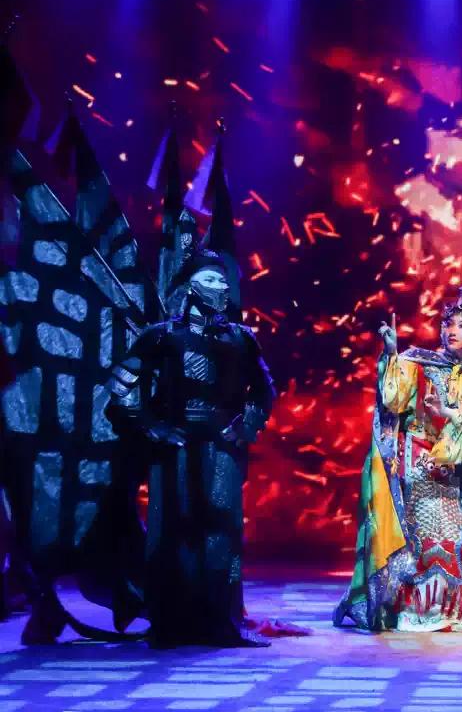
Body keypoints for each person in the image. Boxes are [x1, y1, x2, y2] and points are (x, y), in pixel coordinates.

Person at [105, 249, 275, 647]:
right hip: (175, 450)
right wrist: (153, 428)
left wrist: (246, 426)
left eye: (223, 281)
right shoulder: (162, 336)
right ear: (192, 286)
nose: (220, 287)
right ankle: (169, 624)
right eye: (211, 279)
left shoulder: (241, 338)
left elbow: (264, 389)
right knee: (171, 531)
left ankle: (221, 623)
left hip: (222, 447)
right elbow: (120, 387)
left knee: (222, 534)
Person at [334, 286, 462, 632]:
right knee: (416, 536)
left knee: (452, 536)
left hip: (446, 470)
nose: (453, 331)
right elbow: (393, 400)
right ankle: (407, 612)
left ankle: (443, 612)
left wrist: (448, 415)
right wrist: (391, 354)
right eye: (449, 324)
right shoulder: (418, 364)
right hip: (413, 463)